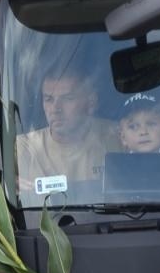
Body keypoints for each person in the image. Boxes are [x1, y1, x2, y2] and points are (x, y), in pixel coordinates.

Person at [15, 66, 117, 195]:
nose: (56, 108)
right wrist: (5, 183)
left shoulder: (116, 135)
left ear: (91, 102)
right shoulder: (25, 146)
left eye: (68, 98)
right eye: (49, 99)